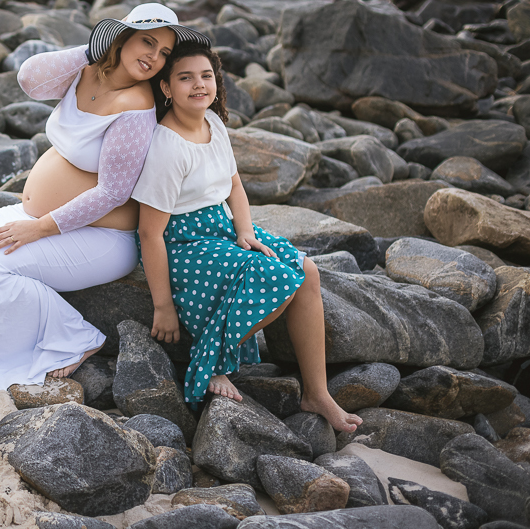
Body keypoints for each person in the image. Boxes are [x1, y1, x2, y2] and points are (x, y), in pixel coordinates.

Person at [0, 4, 212, 392]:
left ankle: (73, 340)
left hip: (103, 238)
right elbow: (29, 78)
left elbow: (112, 193)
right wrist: (91, 50)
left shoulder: (137, 105)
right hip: (49, 217)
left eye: (165, 52)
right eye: (147, 42)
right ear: (122, 38)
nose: (154, 57)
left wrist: (38, 229)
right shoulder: (86, 72)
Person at [132, 41, 362, 432]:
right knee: (272, 277)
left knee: (306, 272)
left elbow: (234, 185)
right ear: (167, 88)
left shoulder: (214, 124)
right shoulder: (167, 147)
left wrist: (244, 231)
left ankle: (317, 393)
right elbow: (149, 232)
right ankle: (212, 363)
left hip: (223, 227)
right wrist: (163, 306)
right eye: (185, 78)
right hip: (185, 242)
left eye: (206, 76)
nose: (199, 85)